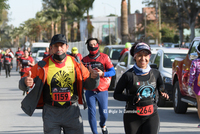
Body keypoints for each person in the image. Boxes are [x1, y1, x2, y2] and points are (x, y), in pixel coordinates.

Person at [18, 34, 100, 134]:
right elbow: (23, 81)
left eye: (62, 46)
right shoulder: (42, 65)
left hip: (72, 112)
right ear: (51, 48)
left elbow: (89, 85)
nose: (59, 48)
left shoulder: (76, 63)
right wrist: (25, 82)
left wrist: (94, 78)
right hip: (51, 113)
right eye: (56, 46)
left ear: (66, 47)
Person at [113, 42, 169, 134]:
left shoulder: (155, 73)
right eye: (139, 55)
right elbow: (116, 94)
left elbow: (160, 86)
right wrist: (131, 98)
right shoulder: (128, 75)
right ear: (134, 56)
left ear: (149, 56)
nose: (143, 59)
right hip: (132, 116)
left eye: (146, 55)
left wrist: (163, 92)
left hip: (152, 115)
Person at [82, 37, 115, 134]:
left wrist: (103, 74)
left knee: (104, 114)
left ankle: (103, 124)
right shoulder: (84, 60)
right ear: (87, 47)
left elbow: (112, 72)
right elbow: (80, 75)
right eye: (90, 45)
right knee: (92, 113)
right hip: (90, 91)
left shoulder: (105, 57)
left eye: (94, 44)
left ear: (98, 45)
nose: (93, 47)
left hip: (102, 90)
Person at [188, 44, 200, 128]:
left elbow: (192, 74)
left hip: (198, 84)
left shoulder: (195, 62)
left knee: (199, 104)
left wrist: (189, 86)